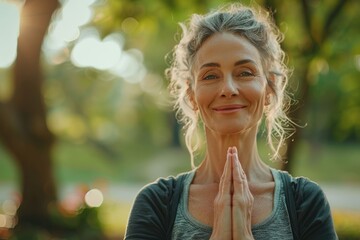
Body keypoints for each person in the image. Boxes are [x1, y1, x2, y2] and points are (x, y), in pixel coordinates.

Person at [124, 3, 338, 240]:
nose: (228, 88)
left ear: (269, 88)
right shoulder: (156, 204)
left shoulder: (305, 202)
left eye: (245, 72)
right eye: (211, 76)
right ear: (192, 95)